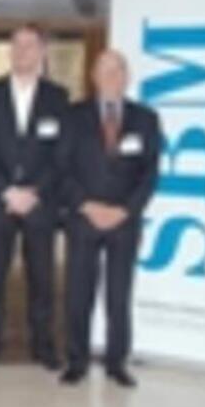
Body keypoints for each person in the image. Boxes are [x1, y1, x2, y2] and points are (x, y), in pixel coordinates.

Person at [58, 50, 161, 388]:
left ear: (127, 76)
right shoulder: (72, 116)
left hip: (124, 222)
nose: (111, 76)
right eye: (104, 70)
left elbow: (150, 173)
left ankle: (117, 362)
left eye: (118, 70)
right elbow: (61, 167)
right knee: (78, 294)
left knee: (119, 295)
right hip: (83, 218)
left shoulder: (146, 118)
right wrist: (86, 205)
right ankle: (77, 360)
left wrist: (126, 210)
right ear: (93, 76)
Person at [0, 24, 69, 370]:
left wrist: (34, 190)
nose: (22, 52)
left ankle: (43, 344)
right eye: (16, 45)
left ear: (42, 51)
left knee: (42, 279)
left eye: (29, 45)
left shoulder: (58, 97)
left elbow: (62, 153)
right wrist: (7, 189)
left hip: (40, 204)